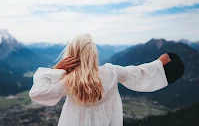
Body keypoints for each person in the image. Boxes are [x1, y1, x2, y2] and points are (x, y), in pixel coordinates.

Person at [29, 33, 171, 126]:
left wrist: (56, 69)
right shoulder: (111, 72)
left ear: (71, 54)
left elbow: (37, 92)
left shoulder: (69, 81)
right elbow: (136, 73)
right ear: (93, 54)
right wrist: (157, 64)